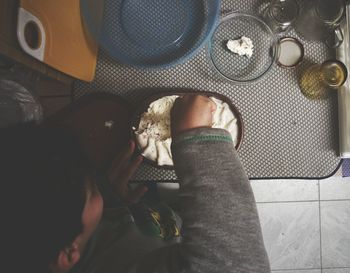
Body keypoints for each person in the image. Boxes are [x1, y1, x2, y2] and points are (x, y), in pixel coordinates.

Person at [1, 95, 270, 273]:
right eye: (91, 189)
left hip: (144, 222)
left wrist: (111, 206)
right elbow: (236, 264)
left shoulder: (34, 245)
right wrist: (195, 138)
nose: (95, 187)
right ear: (68, 253)